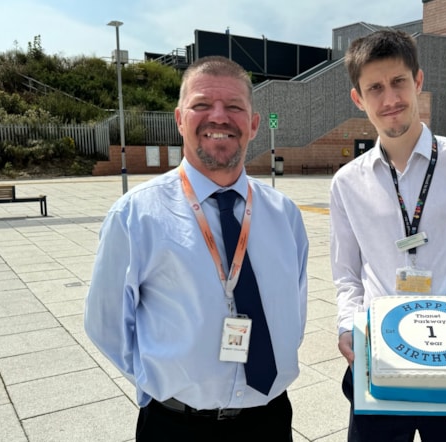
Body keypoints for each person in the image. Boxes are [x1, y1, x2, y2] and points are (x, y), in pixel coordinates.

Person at [84, 56, 308, 441]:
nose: (219, 117)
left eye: (234, 107)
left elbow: (295, 309)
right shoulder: (136, 214)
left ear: (253, 124)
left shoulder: (283, 214)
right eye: (202, 105)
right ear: (179, 119)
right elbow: (105, 324)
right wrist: (156, 387)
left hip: (268, 422)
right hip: (177, 426)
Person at [330, 29, 446, 441]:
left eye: (399, 82)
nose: (389, 98)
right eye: (375, 87)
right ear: (358, 98)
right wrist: (346, 329)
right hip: (381, 365)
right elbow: (346, 276)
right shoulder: (346, 184)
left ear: (419, 82)